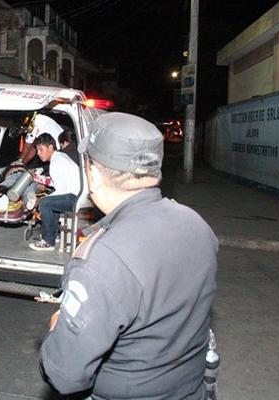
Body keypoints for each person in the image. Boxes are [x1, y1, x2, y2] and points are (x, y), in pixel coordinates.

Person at [39, 112, 218, 399]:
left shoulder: (102, 261)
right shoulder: (196, 225)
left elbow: (63, 374)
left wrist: (57, 326)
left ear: (94, 175)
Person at [29, 133, 80, 251]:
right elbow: (58, 182)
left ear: (50, 147)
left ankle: (48, 241)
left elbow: (61, 190)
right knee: (51, 202)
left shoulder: (56, 162)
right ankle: (54, 234)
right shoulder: (60, 157)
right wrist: (41, 180)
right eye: (37, 150)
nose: (38, 153)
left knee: (46, 203)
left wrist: (39, 201)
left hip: (75, 198)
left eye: (41, 149)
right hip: (77, 195)